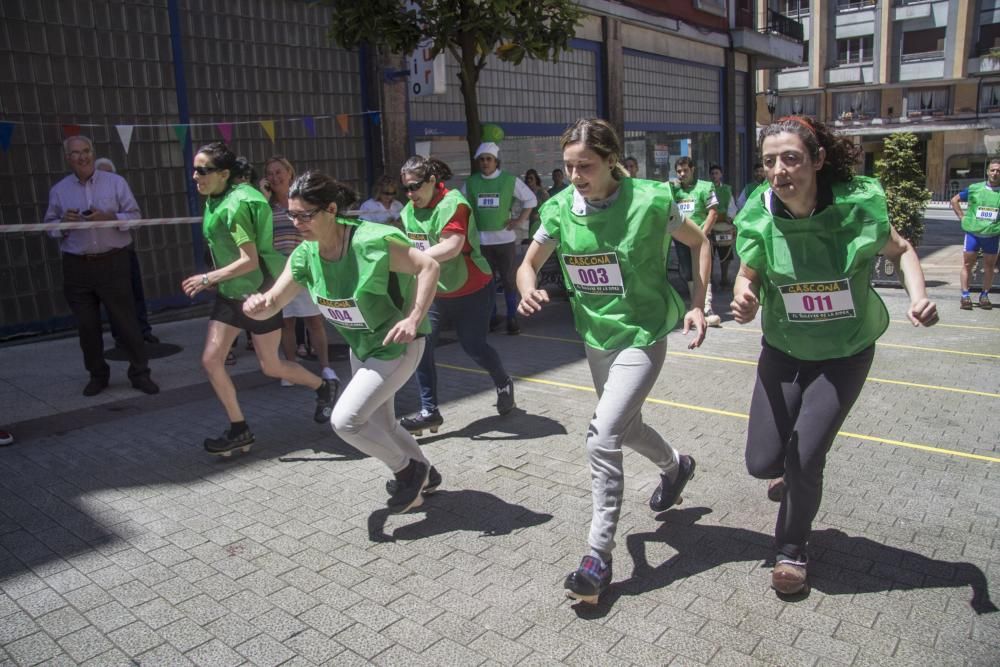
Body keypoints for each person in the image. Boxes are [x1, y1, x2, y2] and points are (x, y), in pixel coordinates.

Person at [732, 116, 938, 596]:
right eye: (769, 162)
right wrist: (745, 296)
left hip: (845, 354)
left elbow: (902, 250)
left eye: (791, 158)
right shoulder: (759, 217)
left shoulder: (857, 208)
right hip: (783, 351)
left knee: (805, 456)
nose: (779, 171)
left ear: (817, 161)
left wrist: (918, 296)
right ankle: (788, 480)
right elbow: (748, 274)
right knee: (763, 462)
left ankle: (792, 549)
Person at [517, 118, 710, 605]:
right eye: (567, 167)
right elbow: (528, 263)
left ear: (612, 162)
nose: (574, 175)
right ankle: (675, 466)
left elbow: (700, 242)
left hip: (643, 334)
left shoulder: (650, 200)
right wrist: (528, 290)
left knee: (603, 435)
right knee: (623, 425)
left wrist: (697, 303)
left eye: (585, 166)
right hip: (596, 336)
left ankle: (597, 557)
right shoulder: (560, 208)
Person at [242, 171, 442, 513]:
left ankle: (409, 471)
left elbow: (429, 266)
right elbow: (273, 303)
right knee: (383, 424)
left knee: (345, 421)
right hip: (362, 348)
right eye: (292, 215)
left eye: (306, 215)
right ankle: (429, 474)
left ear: (331, 209)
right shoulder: (305, 256)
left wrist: (412, 317)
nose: (297, 223)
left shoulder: (370, 242)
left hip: (397, 345)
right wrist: (256, 308)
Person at [181, 142, 336, 456]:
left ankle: (323, 386)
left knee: (271, 366)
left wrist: (207, 278)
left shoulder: (236, 204)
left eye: (202, 170)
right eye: (194, 169)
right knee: (211, 360)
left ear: (224, 174)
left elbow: (249, 260)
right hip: (230, 295)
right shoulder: (216, 198)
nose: (195, 175)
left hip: (257, 294)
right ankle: (240, 429)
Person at [397, 155, 515, 435]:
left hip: (471, 289)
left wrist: (414, 259)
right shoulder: (409, 210)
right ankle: (430, 410)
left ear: (432, 181)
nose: (411, 194)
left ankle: (503, 381)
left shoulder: (454, 204)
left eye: (415, 187)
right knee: (420, 347)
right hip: (434, 293)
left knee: (474, 346)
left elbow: (451, 246)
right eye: (406, 189)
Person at [44, 136, 160, 397]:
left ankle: (140, 373)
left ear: (93, 153)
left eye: (86, 151)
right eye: (76, 153)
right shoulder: (59, 190)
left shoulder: (115, 183)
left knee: (126, 321)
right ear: (68, 158)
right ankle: (98, 375)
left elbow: (136, 218)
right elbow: (48, 227)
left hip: (113, 261)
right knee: (87, 327)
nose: (82, 157)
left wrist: (111, 218)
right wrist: (63, 223)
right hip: (77, 266)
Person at [264, 156, 341, 390]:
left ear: (290, 173)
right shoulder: (265, 206)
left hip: (306, 267)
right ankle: (290, 368)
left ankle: (325, 366)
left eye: (279, 172)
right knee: (286, 323)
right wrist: (262, 197)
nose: (275, 177)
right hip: (280, 271)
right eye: (270, 173)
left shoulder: (299, 201)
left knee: (313, 320)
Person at [463, 142, 536, 335]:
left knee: (509, 280)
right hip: (481, 242)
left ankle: (512, 317)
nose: (485, 163)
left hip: (504, 241)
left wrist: (519, 221)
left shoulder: (509, 181)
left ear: (496, 162)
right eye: (482, 160)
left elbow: (531, 199)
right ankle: (491, 317)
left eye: (489, 159)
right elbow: (461, 207)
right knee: (486, 282)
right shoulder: (471, 183)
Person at [94, 158, 159, 347]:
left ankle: (143, 330)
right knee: (113, 299)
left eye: (110, 174)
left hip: (123, 251)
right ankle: (120, 336)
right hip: (98, 256)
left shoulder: (118, 188)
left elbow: (134, 216)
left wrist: (111, 217)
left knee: (135, 292)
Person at [671, 157, 722, 327]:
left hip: (700, 239)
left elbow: (713, 213)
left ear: (693, 169)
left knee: (702, 271)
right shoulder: (675, 191)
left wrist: (701, 236)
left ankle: (706, 308)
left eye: (685, 170)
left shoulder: (706, 187)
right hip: (680, 239)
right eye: (679, 171)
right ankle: (696, 307)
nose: (682, 174)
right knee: (687, 272)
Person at [950, 158, 999, 310]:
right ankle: (965, 296)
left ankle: (984, 296)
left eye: (998, 171)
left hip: (992, 236)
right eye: (993, 170)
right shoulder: (975, 188)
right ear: (987, 172)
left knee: (989, 267)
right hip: (973, 235)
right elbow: (954, 200)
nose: (995, 173)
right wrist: (962, 217)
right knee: (967, 265)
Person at [708, 164, 739, 287]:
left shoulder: (726, 189)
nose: (714, 176)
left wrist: (730, 218)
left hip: (724, 226)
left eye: (717, 173)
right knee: (708, 254)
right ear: (709, 175)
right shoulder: (706, 189)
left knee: (725, 255)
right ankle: (709, 278)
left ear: (721, 175)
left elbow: (732, 205)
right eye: (712, 173)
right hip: (709, 226)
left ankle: (724, 278)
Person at [522, 169, 550, 239]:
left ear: (536, 180)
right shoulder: (527, 193)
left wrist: (539, 215)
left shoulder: (542, 192)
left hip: (541, 224)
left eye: (531, 178)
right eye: (527, 178)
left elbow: (550, 209)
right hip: (530, 223)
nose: (529, 180)